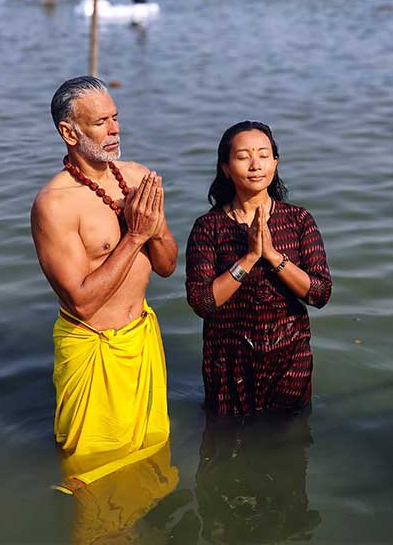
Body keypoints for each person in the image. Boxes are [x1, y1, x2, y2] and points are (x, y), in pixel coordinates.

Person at [30, 76, 178, 493]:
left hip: (142, 338)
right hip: (93, 345)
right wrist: (134, 236)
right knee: (95, 479)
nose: (114, 131)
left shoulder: (138, 177)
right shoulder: (54, 204)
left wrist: (153, 230)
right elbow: (81, 302)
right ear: (69, 132)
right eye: (100, 122)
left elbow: (167, 266)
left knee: (152, 464)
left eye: (115, 118)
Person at [185, 121, 331, 416]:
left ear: (275, 162)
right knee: (225, 447)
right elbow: (202, 302)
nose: (255, 165)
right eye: (243, 157)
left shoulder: (299, 220)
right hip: (228, 364)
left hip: (290, 359)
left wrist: (273, 256)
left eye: (264, 155)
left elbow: (319, 294)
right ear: (226, 168)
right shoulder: (208, 228)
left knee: (288, 448)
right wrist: (250, 258)